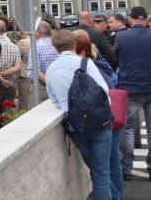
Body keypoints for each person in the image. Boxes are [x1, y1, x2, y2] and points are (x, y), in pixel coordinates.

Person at [46, 30, 115, 200]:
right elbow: (104, 92)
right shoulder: (86, 63)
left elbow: (55, 102)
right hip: (99, 123)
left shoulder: (50, 70)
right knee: (101, 172)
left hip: (76, 125)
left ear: (55, 47)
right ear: (75, 44)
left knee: (95, 169)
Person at [115, 6, 151, 182]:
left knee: (128, 129)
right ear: (145, 20)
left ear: (131, 19)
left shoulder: (122, 37)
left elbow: (116, 57)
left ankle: (127, 168)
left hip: (131, 87)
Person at [0, 19, 22, 117]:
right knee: (7, 115)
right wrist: (3, 74)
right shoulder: (14, 46)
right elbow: (17, 67)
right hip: (10, 82)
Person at [29, 20, 57, 103]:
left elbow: (35, 71)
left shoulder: (36, 47)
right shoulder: (56, 45)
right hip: (57, 84)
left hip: (41, 87)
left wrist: (49, 84)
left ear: (38, 33)